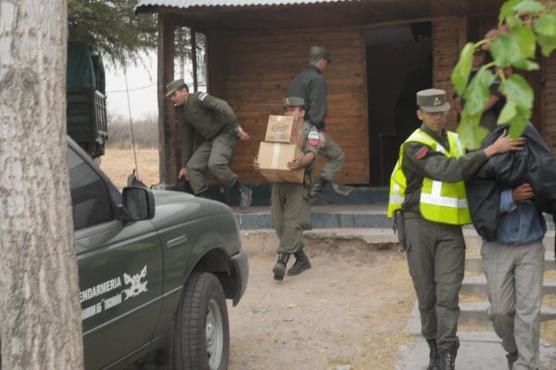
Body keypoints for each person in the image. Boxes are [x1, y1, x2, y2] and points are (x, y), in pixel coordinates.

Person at [387, 88, 524, 370]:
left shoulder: (457, 141)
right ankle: (434, 350)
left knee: (447, 296)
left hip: (450, 231)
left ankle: (448, 355)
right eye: (431, 112)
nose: (438, 117)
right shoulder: (414, 145)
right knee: (427, 296)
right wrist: (490, 150)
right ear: (420, 114)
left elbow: (479, 169)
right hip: (418, 226)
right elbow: (447, 171)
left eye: (442, 111)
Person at [466, 123, 550, 370]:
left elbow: (549, 186)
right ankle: (513, 351)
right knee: (501, 311)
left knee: (529, 312)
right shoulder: (490, 162)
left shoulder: (535, 157)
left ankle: (527, 363)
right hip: (498, 246)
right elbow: (480, 200)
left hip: (531, 245)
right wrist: (511, 198)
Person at [253, 97, 320, 281]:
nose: (288, 113)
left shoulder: (310, 131)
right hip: (279, 181)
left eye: (292, 109)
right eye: (286, 110)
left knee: (292, 222)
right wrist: (259, 161)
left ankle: (281, 261)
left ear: (302, 112)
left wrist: (299, 163)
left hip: (298, 184)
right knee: (278, 222)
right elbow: (270, 150)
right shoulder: (279, 128)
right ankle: (302, 259)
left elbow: (311, 154)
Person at [165, 79, 253, 208]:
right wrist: (184, 166)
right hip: (211, 140)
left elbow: (222, 105)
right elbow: (187, 138)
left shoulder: (198, 98)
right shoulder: (183, 112)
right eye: (171, 96)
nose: (172, 98)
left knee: (215, 164)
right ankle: (207, 203)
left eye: (174, 94)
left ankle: (242, 190)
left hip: (225, 134)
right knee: (192, 168)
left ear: (184, 91)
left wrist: (236, 126)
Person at [287, 46, 348, 203]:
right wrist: (319, 130)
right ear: (321, 61)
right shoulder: (318, 79)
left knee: (301, 163)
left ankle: (298, 200)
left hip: (292, 127)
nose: (326, 65)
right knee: (337, 155)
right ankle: (315, 191)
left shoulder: (297, 78)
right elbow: (317, 106)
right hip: (310, 127)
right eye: (326, 62)